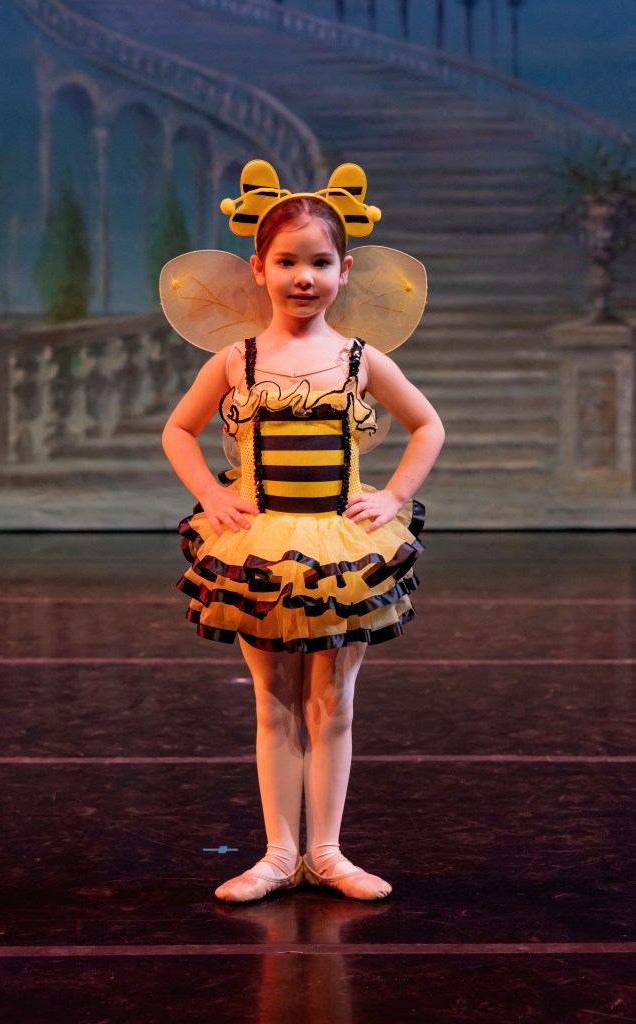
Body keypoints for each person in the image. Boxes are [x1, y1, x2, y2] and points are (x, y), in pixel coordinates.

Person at [160, 159, 445, 903]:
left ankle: (327, 851)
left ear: (344, 271)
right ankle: (277, 853)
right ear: (257, 269)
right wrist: (209, 497)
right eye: (286, 262)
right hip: (258, 547)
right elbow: (179, 431)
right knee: (272, 700)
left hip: (337, 551)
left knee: (335, 701)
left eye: (318, 262)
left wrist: (392, 496)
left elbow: (426, 425)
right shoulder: (238, 359)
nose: (302, 277)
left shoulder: (358, 359)